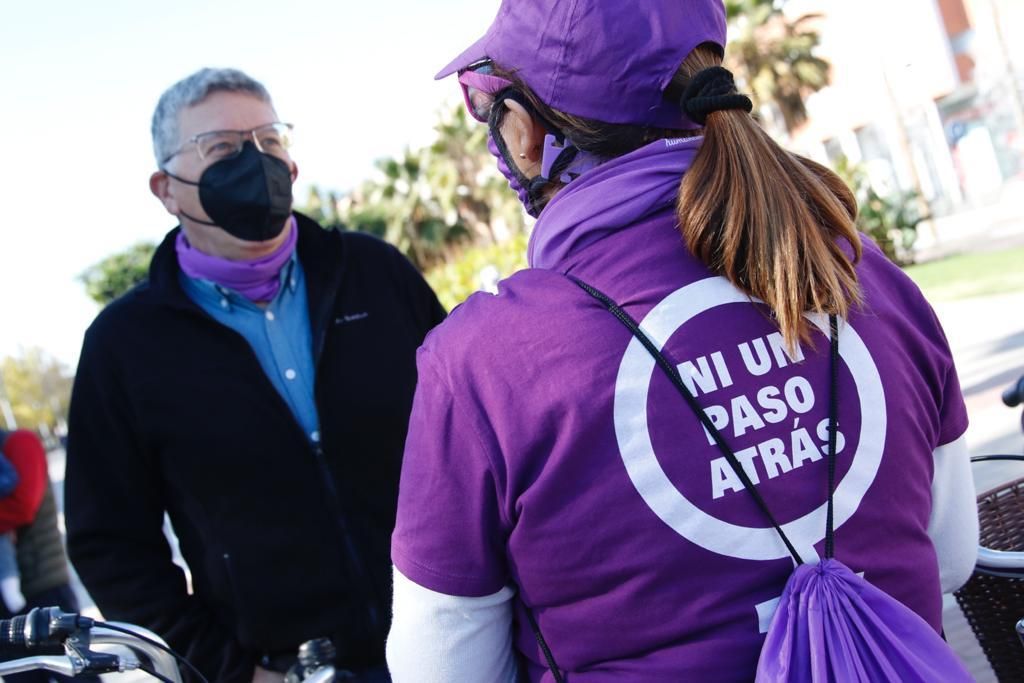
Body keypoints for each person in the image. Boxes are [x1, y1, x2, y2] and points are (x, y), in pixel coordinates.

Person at [386, 1, 979, 680]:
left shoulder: (483, 361)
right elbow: (951, 553)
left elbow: (440, 666)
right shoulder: (859, 268)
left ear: (524, 132)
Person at [65, 68, 445, 683]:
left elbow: (479, 435)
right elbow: (111, 544)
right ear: (167, 188)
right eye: (222, 149)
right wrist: (225, 671)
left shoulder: (377, 273)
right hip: (287, 670)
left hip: (456, 640)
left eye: (270, 141)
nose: (257, 162)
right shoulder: (123, 346)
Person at [0, 428, 96, 683]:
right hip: (8, 602)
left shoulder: (20, 442)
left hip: (43, 586)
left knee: (76, 672)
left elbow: (22, 507)